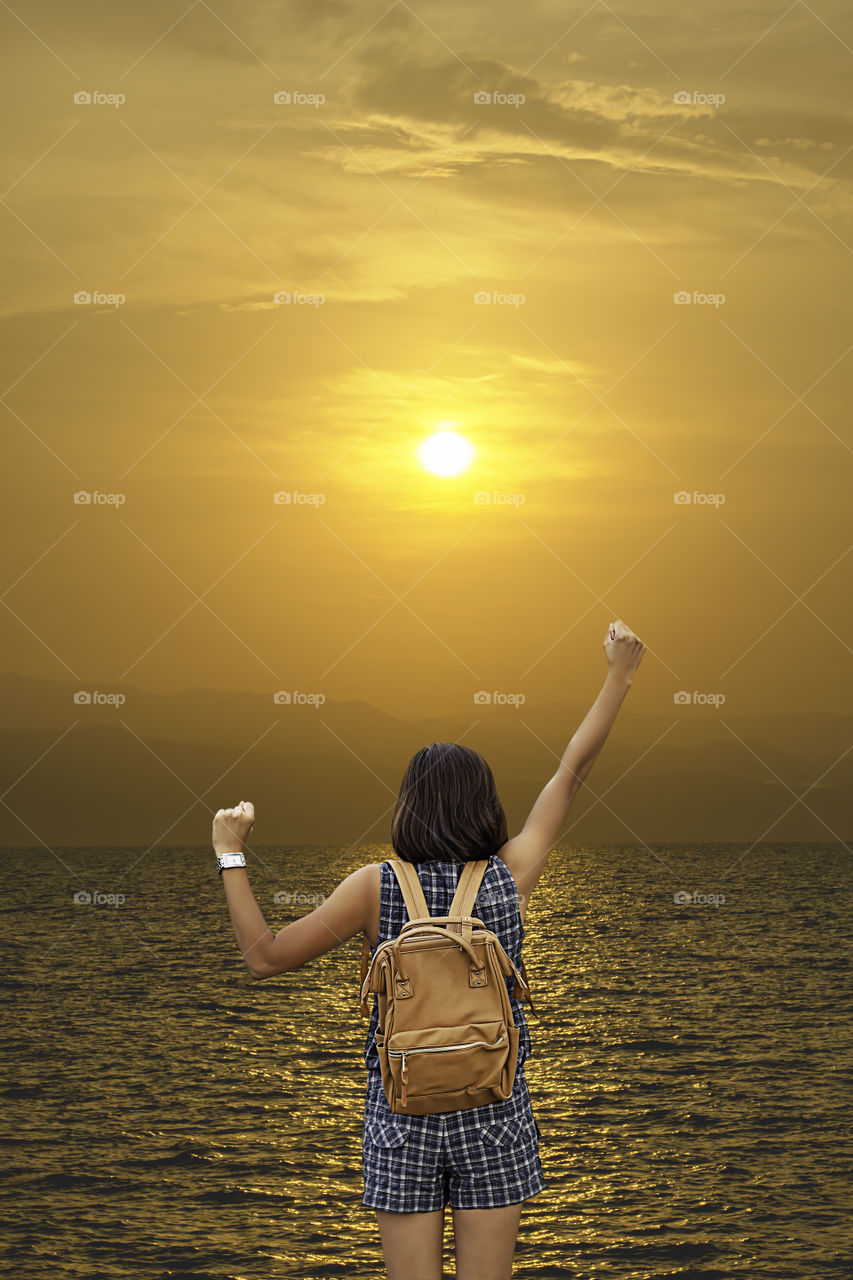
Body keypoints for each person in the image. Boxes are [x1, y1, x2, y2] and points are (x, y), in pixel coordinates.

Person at [213, 618, 645, 1279]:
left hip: (401, 1117)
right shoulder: (510, 874)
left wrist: (230, 852)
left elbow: (264, 957)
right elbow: (571, 773)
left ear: (408, 805)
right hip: (494, 1111)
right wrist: (619, 673)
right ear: (485, 803)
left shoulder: (372, 887)